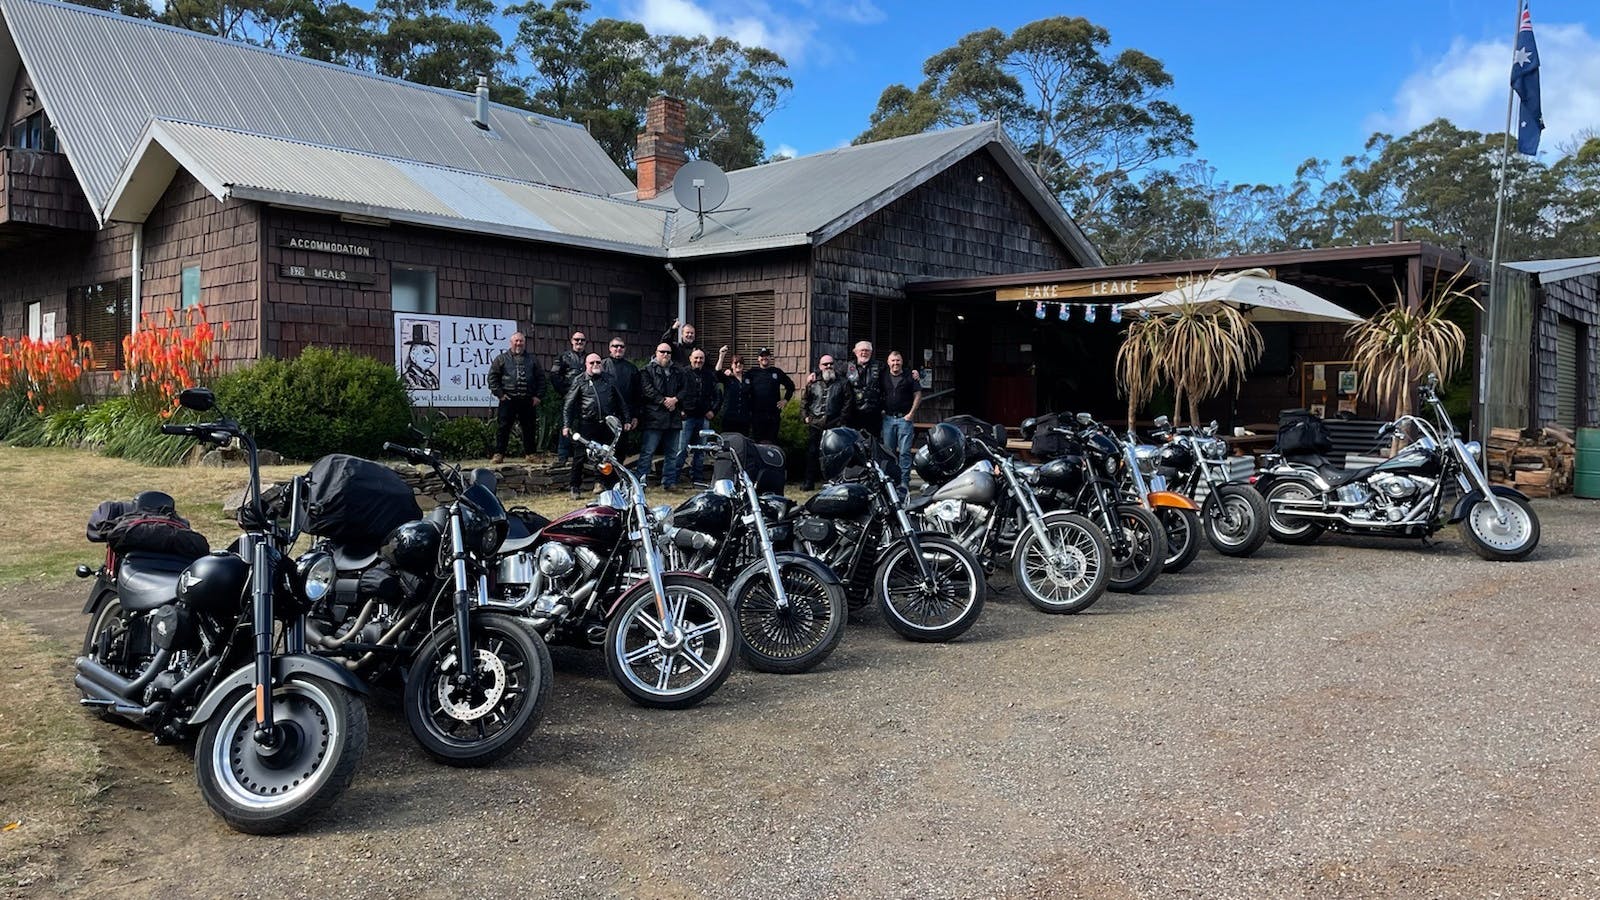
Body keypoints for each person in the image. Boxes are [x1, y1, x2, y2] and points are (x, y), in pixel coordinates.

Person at [562, 353, 629, 499]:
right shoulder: (579, 380)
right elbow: (569, 404)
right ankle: (575, 486)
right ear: (586, 364)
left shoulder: (609, 379)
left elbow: (620, 401)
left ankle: (602, 484)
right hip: (587, 423)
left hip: (606, 424)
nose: (595, 365)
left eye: (598, 362)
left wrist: (626, 419)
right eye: (591, 363)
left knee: (606, 456)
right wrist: (566, 424)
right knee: (580, 456)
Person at [486, 331, 547, 464]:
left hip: (527, 400)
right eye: (516, 341)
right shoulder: (501, 359)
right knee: (503, 428)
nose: (519, 343)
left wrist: (538, 396)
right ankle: (499, 454)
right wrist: (500, 395)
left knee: (529, 428)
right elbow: (492, 378)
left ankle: (530, 454)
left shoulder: (532, 360)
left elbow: (541, 379)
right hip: (508, 400)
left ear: (524, 343)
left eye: (521, 341)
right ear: (511, 342)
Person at [635, 342, 685, 489]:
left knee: (672, 453)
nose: (666, 355)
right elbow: (647, 390)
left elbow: (685, 389)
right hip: (654, 417)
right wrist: (664, 401)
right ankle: (640, 482)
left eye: (668, 352)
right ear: (656, 352)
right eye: (662, 352)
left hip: (673, 417)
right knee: (648, 452)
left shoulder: (678, 371)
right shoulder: (647, 370)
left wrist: (675, 399)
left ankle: (669, 482)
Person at [671, 348, 720, 486]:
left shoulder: (709, 375)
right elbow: (676, 393)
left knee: (701, 450)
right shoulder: (682, 373)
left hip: (703, 418)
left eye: (701, 358)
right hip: (687, 418)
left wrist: (713, 411)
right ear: (690, 358)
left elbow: (718, 395)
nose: (698, 361)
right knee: (681, 449)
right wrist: (680, 410)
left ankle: (697, 478)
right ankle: (674, 478)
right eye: (696, 358)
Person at [801, 353, 849, 490]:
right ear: (820, 366)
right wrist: (805, 416)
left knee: (834, 454)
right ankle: (808, 482)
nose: (828, 366)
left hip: (834, 423)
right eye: (825, 364)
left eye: (831, 363)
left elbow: (847, 402)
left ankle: (834, 482)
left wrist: (841, 420)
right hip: (815, 423)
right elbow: (805, 400)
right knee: (811, 453)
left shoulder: (842, 382)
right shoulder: (812, 382)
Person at [879, 350, 922, 493]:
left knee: (904, 452)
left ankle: (904, 482)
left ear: (902, 362)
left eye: (898, 360)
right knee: (888, 453)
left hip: (905, 419)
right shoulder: (883, 376)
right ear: (888, 362)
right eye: (893, 360)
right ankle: (890, 482)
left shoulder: (910, 376)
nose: (895, 363)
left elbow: (918, 395)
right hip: (888, 420)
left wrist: (911, 413)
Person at [548, 331, 587, 465]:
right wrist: (565, 392)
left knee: (584, 427)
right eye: (577, 339)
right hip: (569, 398)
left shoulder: (589, 358)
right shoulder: (563, 357)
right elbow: (554, 375)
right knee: (566, 426)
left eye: (582, 340)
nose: (579, 342)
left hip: (586, 399)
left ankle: (582, 455)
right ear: (572, 341)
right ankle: (562, 456)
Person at [746, 347, 795, 443]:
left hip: (773, 415)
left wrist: (785, 400)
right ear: (758, 358)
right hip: (756, 415)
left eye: (767, 355)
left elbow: (791, 386)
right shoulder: (752, 373)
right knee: (757, 442)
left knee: (772, 441)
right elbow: (740, 381)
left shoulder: (777, 372)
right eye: (762, 356)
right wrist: (730, 374)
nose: (764, 358)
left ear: (770, 357)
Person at [601, 336, 642, 432]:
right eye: (615, 346)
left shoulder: (632, 368)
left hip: (625, 416)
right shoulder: (602, 366)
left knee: (622, 445)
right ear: (610, 348)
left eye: (621, 346)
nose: (619, 348)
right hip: (605, 414)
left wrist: (635, 416)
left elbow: (637, 394)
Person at [843, 341, 885, 432]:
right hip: (853, 413)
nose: (864, 353)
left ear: (871, 352)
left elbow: (894, 373)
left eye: (867, 350)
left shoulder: (879, 366)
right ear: (855, 352)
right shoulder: (847, 367)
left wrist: (912, 373)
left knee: (872, 443)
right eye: (862, 350)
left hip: (873, 414)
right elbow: (833, 377)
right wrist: (816, 374)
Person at [714, 347, 753, 436]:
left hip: (744, 418)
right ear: (731, 365)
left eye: (741, 363)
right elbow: (717, 372)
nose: (738, 365)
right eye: (736, 363)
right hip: (729, 417)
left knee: (743, 442)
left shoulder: (748, 379)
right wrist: (721, 356)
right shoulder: (728, 378)